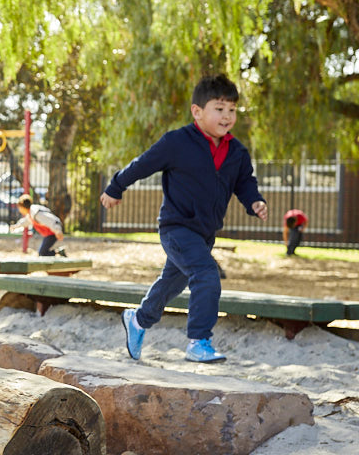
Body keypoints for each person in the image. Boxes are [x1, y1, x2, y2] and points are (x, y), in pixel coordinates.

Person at [99, 74, 268, 363]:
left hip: (204, 233)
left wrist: (254, 202)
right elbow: (142, 164)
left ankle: (138, 320)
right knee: (206, 274)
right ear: (197, 111)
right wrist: (115, 187)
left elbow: (244, 182)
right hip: (176, 227)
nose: (227, 116)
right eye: (219, 108)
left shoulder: (237, 151)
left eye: (232, 110)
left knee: (172, 283)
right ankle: (199, 341)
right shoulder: (177, 142)